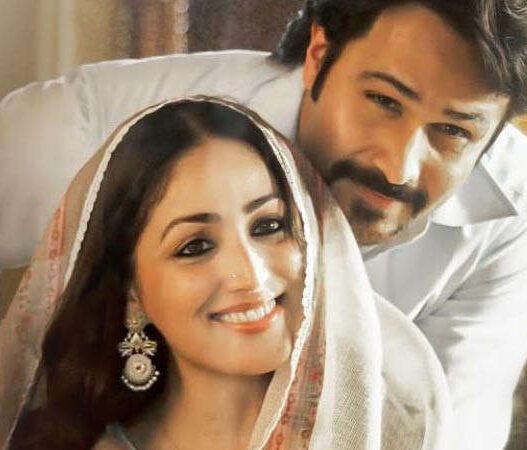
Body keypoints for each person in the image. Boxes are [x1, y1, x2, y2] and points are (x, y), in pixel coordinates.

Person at [1, 0, 526, 447]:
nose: (398, 167)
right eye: (384, 101)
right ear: (318, 54)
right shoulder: (93, 126)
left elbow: (452, 428)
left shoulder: (510, 211)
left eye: (453, 131)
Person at [0, 97, 450, 449]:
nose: (250, 275)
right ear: (132, 291)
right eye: (195, 247)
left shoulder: (391, 431)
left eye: (268, 226)